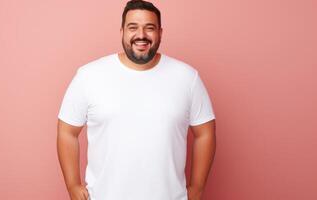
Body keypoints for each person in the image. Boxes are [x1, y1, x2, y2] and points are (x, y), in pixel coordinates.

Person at [57, 0, 216, 200]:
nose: (141, 35)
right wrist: (72, 185)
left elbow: (205, 132)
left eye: (149, 28)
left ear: (160, 32)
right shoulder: (89, 75)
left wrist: (197, 187)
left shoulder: (187, 77)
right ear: (122, 31)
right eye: (133, 27)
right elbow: (67, 131)